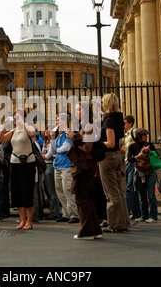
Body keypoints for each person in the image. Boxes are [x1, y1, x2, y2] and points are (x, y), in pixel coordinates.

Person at [66, 102, 103, 240]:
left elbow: (88, 148)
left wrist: (72, 138)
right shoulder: (85, 126)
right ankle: (94, 229)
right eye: (75, 110)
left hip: (84, 166)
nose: (76, 112)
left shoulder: (88, 126)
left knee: (81, 198)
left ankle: (87, 230)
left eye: (79, 109)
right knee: (85, 198)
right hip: (84, 166)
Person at [0, 109, 37, 230]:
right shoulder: (14, 131)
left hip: (28, 163)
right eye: (15, 117)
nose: (16, 119)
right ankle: (22, 220)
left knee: (27, 191)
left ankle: (29, 221)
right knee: (16, 191)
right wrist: (4, 126)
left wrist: (23, 123)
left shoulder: (28, 127)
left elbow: (32, 134)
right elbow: (1, 139)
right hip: (15, 163)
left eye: (19, 116)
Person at [99, 93, 130, 233]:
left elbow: (110, 143)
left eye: (102, 102)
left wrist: (97, 144)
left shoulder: (109, 121)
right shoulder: (118, 118)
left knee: (111, 192)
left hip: (108, 157)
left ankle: (115, 223)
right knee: (118, 190)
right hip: (117, 156)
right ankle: (123, 221)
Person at [45, 113, 79, 224]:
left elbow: (66, 148)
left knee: (68, 190)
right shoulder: (59, 137)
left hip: (66, 166)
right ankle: (66, 213)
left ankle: (74, 214)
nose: (56, 122)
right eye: (56, 120)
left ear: (64, 121)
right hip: (57, 166)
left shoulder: (69, 133)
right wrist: (53, 139)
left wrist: (57, 149)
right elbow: (53, 150)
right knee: (60, 191)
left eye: (58, 120)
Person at [127, 128, 158, 223]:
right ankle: (144, 215)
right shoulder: (132, 147)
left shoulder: (150, 145)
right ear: (139, 137)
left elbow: (156, 157)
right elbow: (129, 159)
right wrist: (138, 157)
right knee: (142, 195)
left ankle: (153, 215)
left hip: (149, 171)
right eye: (145, 135)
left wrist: (150, 152)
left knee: (152, 195)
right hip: (139, 172)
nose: (146, 137)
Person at [122, 115, 141, 219]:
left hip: (133, 163)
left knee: (130, 187)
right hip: (127, 162)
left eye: (125, 123)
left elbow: (138, 147)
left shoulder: (134, 132)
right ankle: (137, 212)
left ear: (130, 123)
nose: (123, 125)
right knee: (132, 188)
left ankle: (126, 211)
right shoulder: (127, 134)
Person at [41, 129, 61, 220]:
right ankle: (53, 210)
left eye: (49, 129)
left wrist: (42, 155)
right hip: (46, 166)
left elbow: (49, 155)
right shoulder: (46, 142)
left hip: (50, 166)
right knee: (48, 190)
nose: (46, 131)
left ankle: (55, 212)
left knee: (52, 190)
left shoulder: (53, 142)